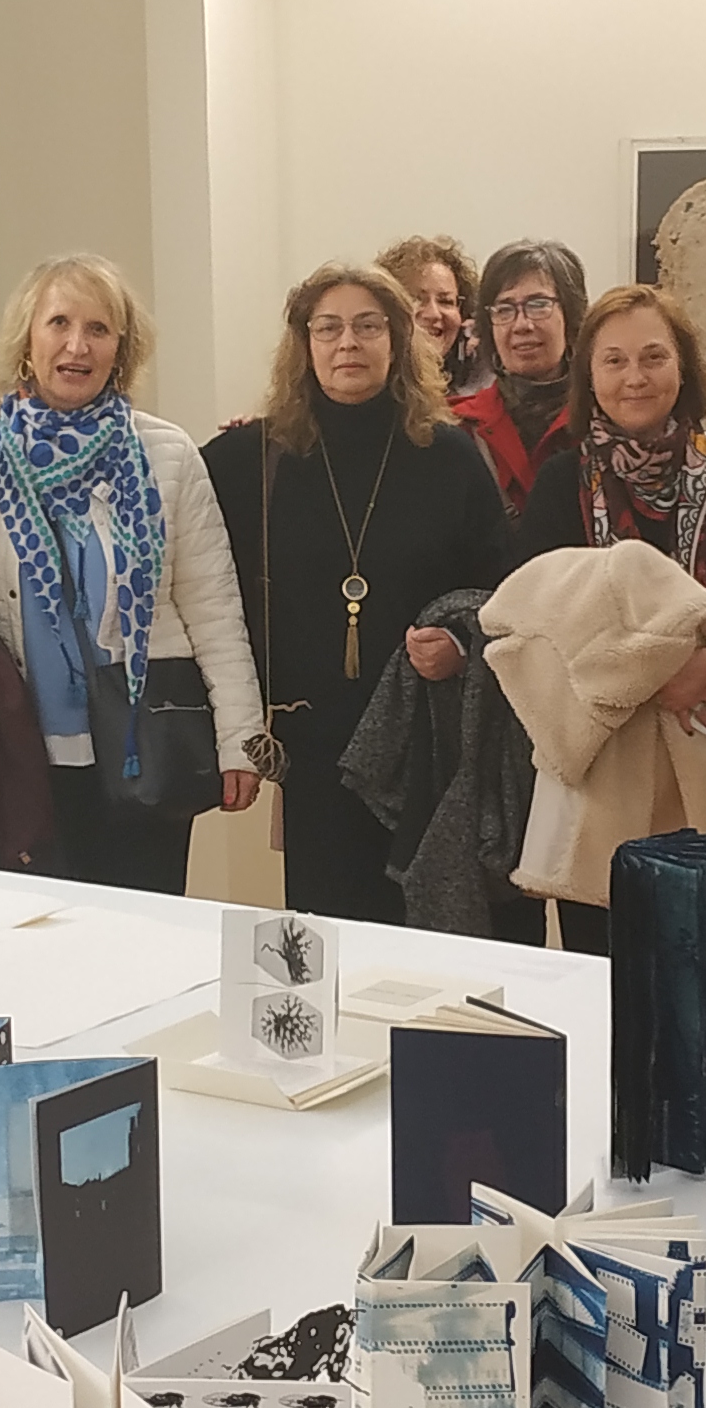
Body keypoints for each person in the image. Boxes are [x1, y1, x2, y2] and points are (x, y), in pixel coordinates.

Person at [510, 280, 706, 949]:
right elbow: (541, 611)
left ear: (683, 366)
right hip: (604, 748)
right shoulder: (563, 481)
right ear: (588, 376)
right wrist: (643, 677)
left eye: (653, 357)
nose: (634, 378)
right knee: (606, 954)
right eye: (614, 361)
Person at [205, 260, 510, 922]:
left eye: (369, 325)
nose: (349, 342)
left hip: (425, 742)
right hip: (314, 749)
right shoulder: (248, 459)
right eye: (329, 327)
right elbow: (166, 507)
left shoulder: (451, 456)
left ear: (400, 340)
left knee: (428, 935)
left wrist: (459, 644)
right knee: (328, 941)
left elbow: (500, 592)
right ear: (304, 343)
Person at [0, 254, 264, 894]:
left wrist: (241, 741)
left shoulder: (167, 451)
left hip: (143, 740)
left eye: (98, 328)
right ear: (26, 339)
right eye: (58, 323)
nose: (76, 345)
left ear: (121, 347)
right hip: (19, 746)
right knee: (36, 935)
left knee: (145, 930)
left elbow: (213, 608)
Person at [449, 239, 587, 505]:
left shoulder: (604, 422)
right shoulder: (458, 428)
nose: (521, 325)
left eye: (538, 305)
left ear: (571, 315)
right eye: (504, 309)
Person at [378, 230, 485, 400]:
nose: (434, 314)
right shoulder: (368, 390)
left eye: (446, 301)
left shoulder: (475, 394)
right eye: (416, 300)